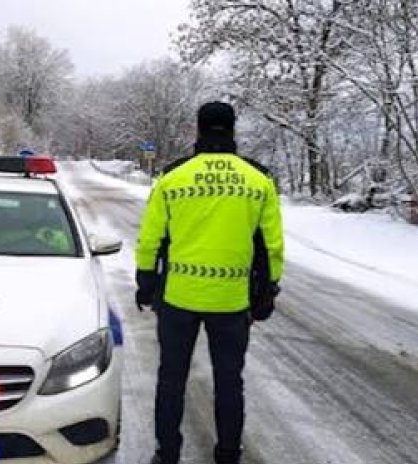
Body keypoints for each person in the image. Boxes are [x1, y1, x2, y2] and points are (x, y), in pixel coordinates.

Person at [135, 101, 285, 464]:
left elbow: (150, 237)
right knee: (229, 383)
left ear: (197, 130)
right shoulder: (258, 180)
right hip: (231, 303)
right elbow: (271, 245)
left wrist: (146, 281)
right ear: (233, 131)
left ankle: (167, 454)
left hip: (178, 300)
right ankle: (228, 454)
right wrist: (267, 291)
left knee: (171, 381)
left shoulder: (173, 177)